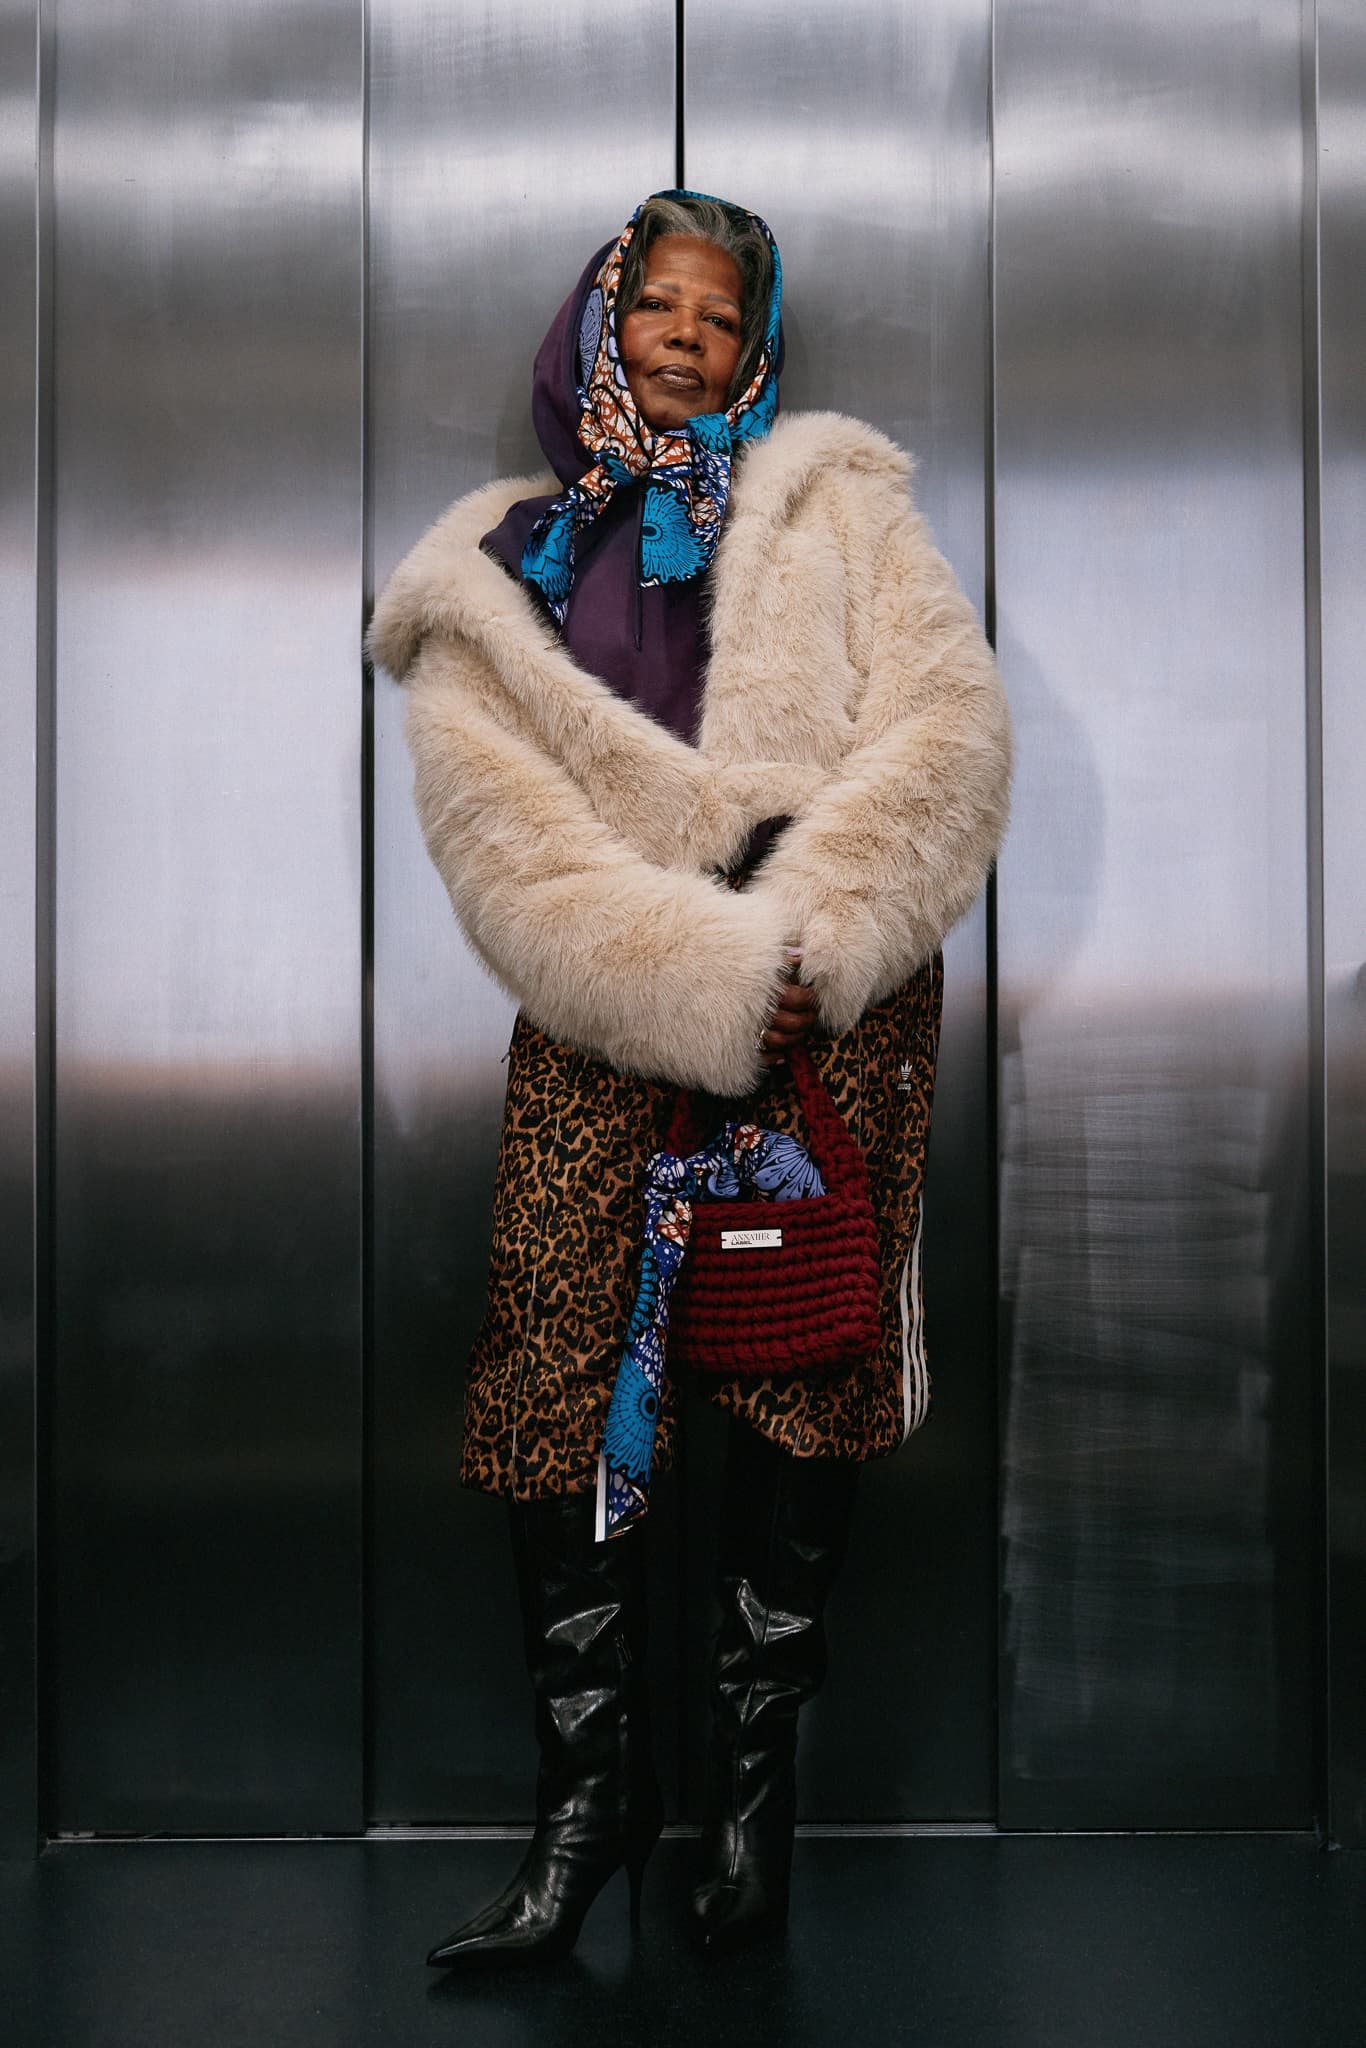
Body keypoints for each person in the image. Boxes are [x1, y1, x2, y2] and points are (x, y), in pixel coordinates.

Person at [367, 190, 1012, 1963]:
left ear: (756, 348)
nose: (683, 334)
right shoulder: (496, 559)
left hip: (832, 1016)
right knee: (557, 1386)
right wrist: (691, 975)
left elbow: (947, 736)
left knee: (800, 1380)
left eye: (720, 319)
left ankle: (745, 1822)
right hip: (604, 1017)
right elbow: (496, 827)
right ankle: (577, 1836)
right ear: (597, 318)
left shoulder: (842, 510)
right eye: (654, 303)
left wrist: (803, 949)